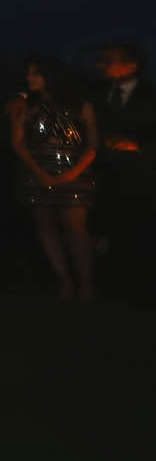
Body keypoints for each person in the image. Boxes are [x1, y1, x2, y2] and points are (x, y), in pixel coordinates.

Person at [10, 60, 98, 301]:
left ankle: (86, 282)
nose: (30, 78)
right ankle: (64, 280)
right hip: (38, 169)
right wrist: (37, 171)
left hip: (75, 172)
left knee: (76, 228)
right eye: (28, 74)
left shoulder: (80, 105)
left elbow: (92, 144)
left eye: (35, 74)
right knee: (46, 225)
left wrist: (73, 173)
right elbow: (17, 141)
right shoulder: (28, 106)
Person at [93, 43, 153, 302]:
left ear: (131, 66)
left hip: (143, 178)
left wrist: (139, 146)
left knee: (141, 232)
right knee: (110, 231)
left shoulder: (151, 96)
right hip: (107, 177)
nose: (101, 65)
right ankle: (114, 289)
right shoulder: (98, 94)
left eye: (108, 60)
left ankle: (143, 290)